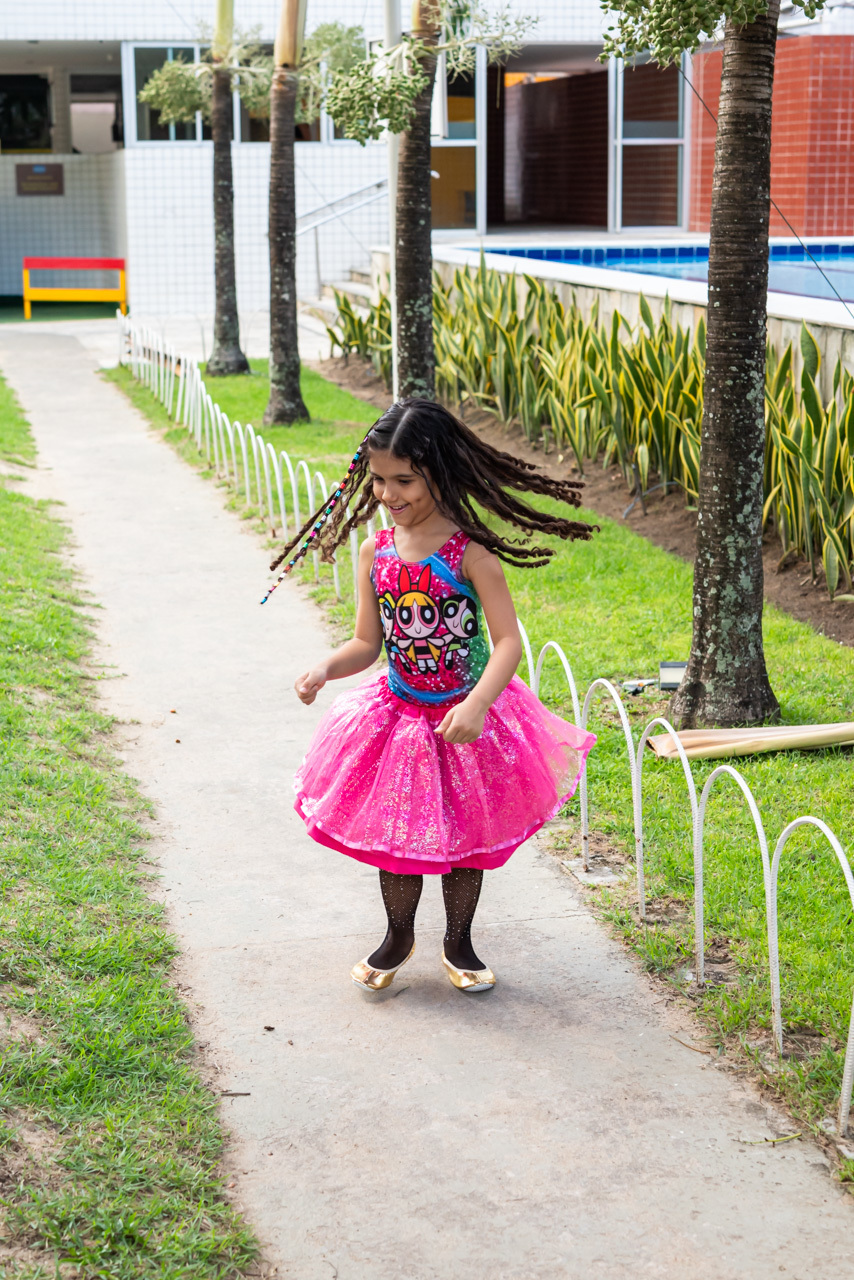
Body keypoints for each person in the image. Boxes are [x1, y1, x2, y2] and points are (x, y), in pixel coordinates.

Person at [264, 399, 597, 995]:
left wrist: (477, 705)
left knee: (466, 839)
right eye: (378, 480)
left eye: (404, 480)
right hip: (399, 719)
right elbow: (367, 643)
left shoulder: (471, 555)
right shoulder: (376, 551)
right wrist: (324, 668)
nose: (388, 494)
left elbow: (507, 643)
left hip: (466, 720)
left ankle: (458, 940)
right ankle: (398, 935)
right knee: (399, 836)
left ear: (439, 472)